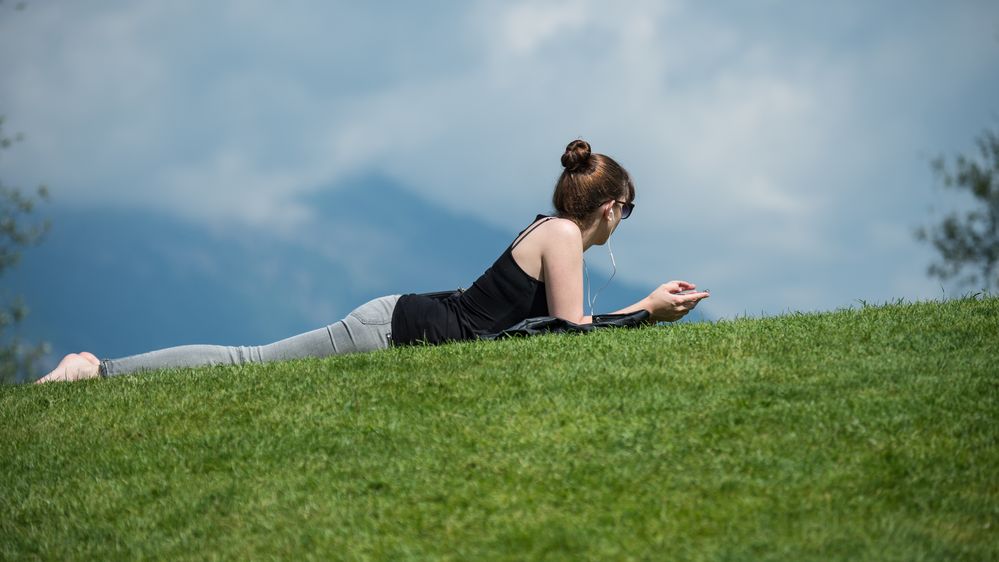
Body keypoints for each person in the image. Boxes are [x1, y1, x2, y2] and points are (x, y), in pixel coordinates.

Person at [37, 140, 709, 384]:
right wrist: (646, 311)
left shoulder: (554, 232)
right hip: (389, 328)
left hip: (401, 327)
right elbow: (568, 335)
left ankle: (99, 372)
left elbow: (557, 335)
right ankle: (96, 370)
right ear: (612, 209)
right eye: (629, 212)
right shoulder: (563, 235)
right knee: (250, 363)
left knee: (252, 363)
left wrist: (641, 313)